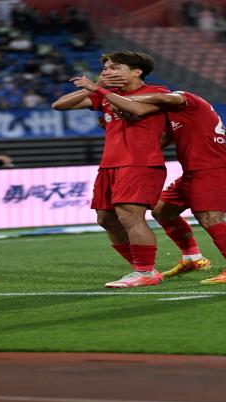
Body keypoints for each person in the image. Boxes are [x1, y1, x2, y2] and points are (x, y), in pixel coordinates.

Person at [72, 85, 226, 284]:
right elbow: (161, 141)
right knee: (162, 211)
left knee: (210, 217)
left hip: (213, 170)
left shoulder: (185, 99)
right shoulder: (175, 117)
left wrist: (115, 98)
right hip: (192, 173)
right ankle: (193, 258)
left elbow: (164, 98)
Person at [52, 51, 169, 288]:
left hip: (139, 162)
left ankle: (145, 270)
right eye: (105, 68)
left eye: (115, 67)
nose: (107, 71)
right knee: (105, 218)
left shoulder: (157, 92)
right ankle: (142, 268)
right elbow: (59, 105)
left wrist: (99, 89)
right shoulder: (106, 94)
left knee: (130, 216)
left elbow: (137, 110)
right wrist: (96, 88)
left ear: (136, 72)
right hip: (109, 164)